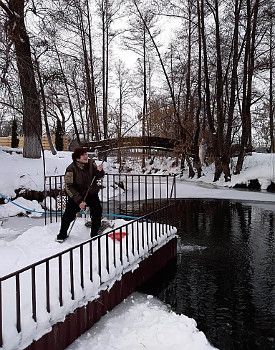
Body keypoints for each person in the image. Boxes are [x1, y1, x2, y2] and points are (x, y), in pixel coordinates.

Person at [56, 147, 104, 242]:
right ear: (77, 158)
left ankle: (94, 234)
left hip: (91, 194)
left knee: (97, 212)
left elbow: (97, 176)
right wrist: (79, 201)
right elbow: (68, 186)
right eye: (84, 155)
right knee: (68, 215)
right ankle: (62, 234)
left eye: (86, 154)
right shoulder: (71, 169)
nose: (86, 156)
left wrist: (99, 171)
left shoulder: (91, 163)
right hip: (76, 195)